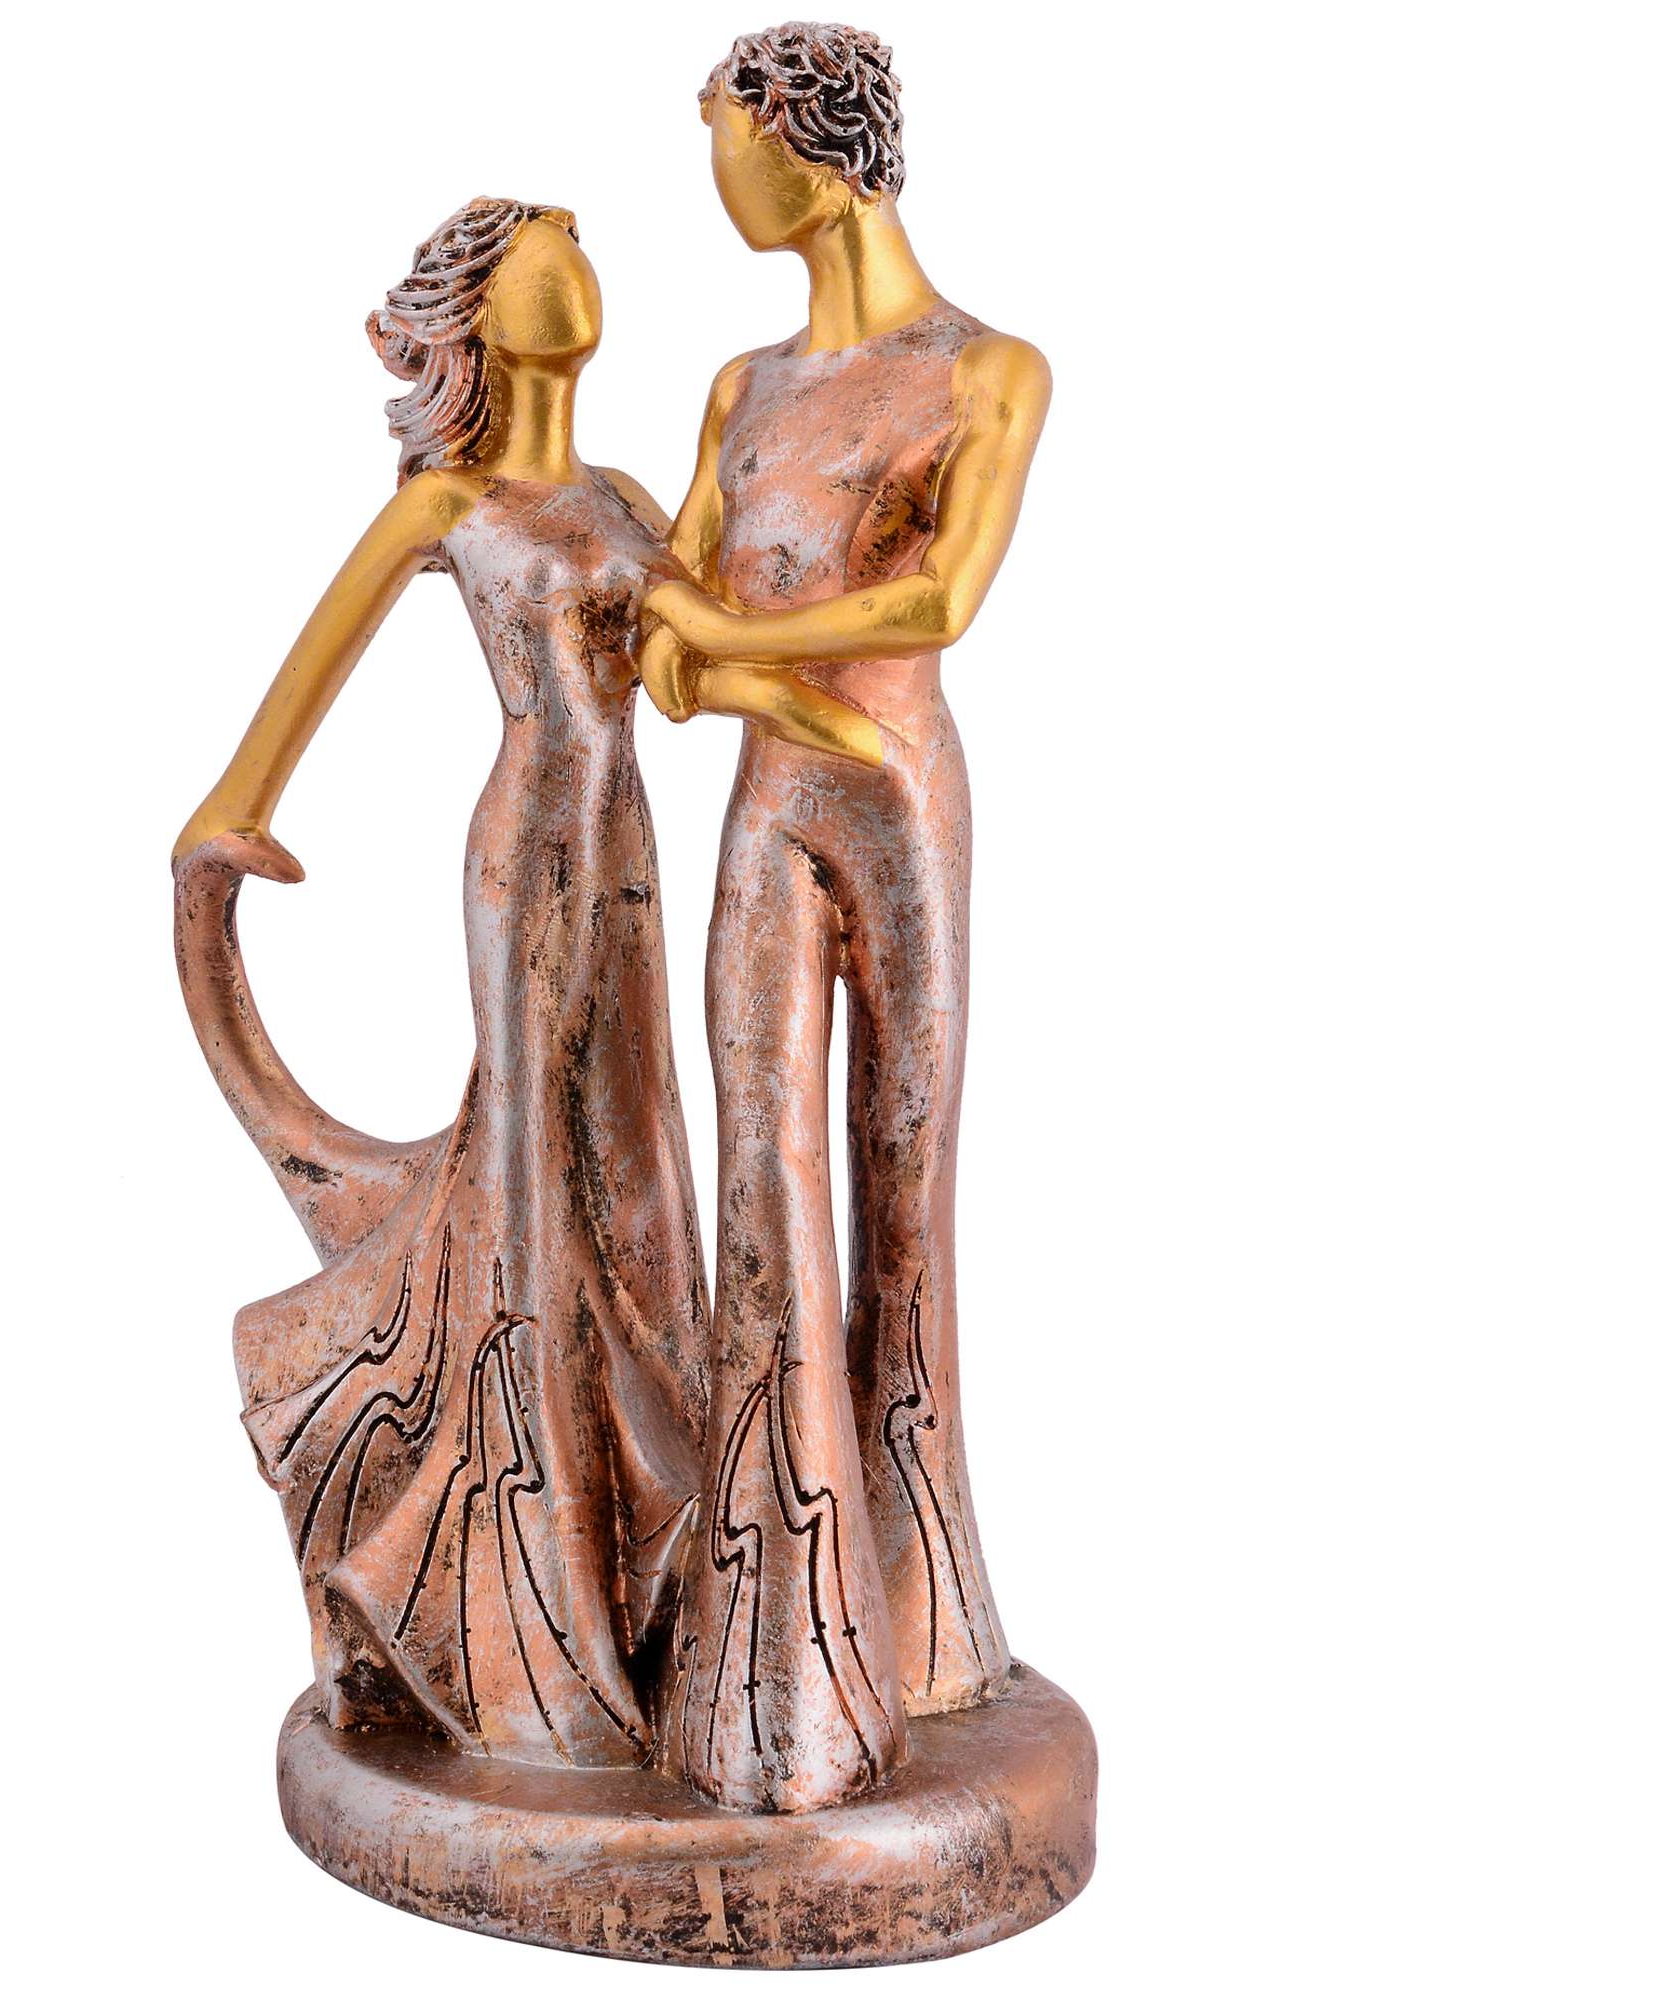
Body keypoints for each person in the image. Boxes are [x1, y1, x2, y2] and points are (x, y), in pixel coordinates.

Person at [171, 199, 860, 1765]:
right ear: (481, 317)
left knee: (638, 1169)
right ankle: (514, 1603)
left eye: (576, 242)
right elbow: (306, 680)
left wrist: (841, 717)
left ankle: (655, 1552)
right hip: (527, 849)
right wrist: (227, 824)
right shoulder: (449, 506)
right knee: (535, 1173)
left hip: (628, 847)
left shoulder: (622, 498)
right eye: (539, 250)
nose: (574, 257)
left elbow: (695, 660)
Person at [639, 25, 1055, 1811]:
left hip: (903, 812)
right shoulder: (740, 391)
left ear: (806, 155)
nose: (713, 180)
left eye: (724, 144)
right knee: (762, 1190)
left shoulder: (986, 371)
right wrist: (734, 670)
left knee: (905, 1188)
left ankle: (926, 1620)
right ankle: (776, 1655)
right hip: (778, 812)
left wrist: (726, 646)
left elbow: (938, 602)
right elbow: (658, 629)